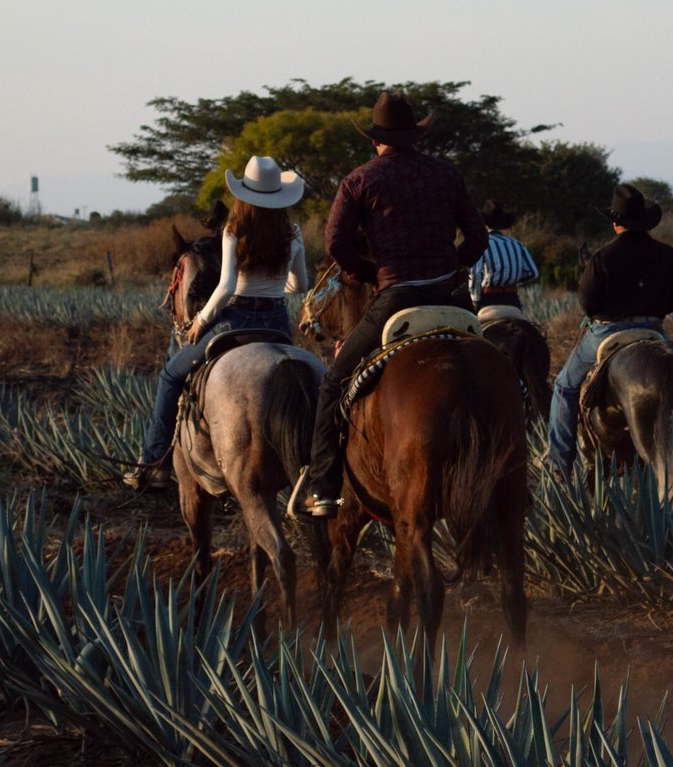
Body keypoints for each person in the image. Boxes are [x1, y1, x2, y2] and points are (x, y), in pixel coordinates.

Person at [296, 91, 487, 518]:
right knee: (502, 374)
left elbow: (335, 243)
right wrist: (453, 267)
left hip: (396, 296)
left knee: (333, 385)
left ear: (375, 139)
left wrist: (369, 274)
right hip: (452, 297)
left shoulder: (360, 180)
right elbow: (478, 238)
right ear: (414, 135)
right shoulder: (446, 174)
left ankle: (323, 486)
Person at [124, 156, 307, 491]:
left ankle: (155, 463)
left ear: (244, 195)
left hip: (234, 320)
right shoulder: (292, 232)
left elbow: (225, 288)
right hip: (277, 323)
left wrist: (201, 322)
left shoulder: (233, 229)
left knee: (170, 377)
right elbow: (301, 285)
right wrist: (278, 282)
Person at [545, 183, 673, 480]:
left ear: (616, 222)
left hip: (608, 332)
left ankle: (559, 463)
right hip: (653, 330)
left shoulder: (602, 257)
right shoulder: (667, 254)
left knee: (563, 387)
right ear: (646, 221)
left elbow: (587, 304)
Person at [468, 200, 540, 312]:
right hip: (512, 299)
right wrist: (511, 281)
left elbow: (476, 273)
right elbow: (533, 273)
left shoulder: (481, 244)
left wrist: (475, 300)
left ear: (483, 223)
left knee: (474, 328)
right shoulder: (517, 244)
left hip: (489, 299)